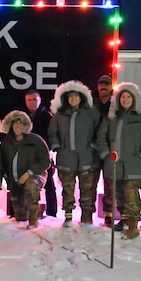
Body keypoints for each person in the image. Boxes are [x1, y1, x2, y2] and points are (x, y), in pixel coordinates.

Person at [95, 82, 141, 239]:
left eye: (129, 96)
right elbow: (101, 137)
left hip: (135, 165)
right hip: (115, 164)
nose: (125, 99)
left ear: (134, 98)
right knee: (119, 194)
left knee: (131, 195)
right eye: (122, 96)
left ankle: (133, 225)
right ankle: (123, 220)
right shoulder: (111, 118)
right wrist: (106, 154)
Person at [48, 80, 102, 227]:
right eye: (70, 96)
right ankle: (68, 216)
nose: (73, 99)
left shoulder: (92, 114)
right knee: (67, 189)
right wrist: (57, 147)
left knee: (87, 189)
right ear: (65, 98)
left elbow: (100, 131)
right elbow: (52, 133)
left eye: (76, 96)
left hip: (87, 158)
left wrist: (93, 146)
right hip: (66, 159)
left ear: (81, 97)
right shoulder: (59, 116)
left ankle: (86, 216)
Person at [0, 110, 51, 230]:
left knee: (31, 186)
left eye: (21, 123)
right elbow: (2, 164)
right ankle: (37, 210)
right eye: (15, 123)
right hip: (15, 180)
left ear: (26, 125)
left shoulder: (35, 140)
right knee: (21, 216)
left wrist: (29, 173)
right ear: (10, 125)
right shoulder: (5, 143)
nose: (18, 126)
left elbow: (46, 161)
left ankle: (33, 221)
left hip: (35, 175)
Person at [24, 90, 57, 217]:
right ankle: (26, 211)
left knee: (49, 184)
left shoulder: (47, 116)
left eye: (34, 99)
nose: (32, 102)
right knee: (26, 183)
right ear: (26, 101)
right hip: (26, 156)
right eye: (29, 100)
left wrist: (48, 150)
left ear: (40, 100)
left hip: (44, 155)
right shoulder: (22, 117)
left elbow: (52, 135)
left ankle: (52, 212)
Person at [92, 74, 114, 222]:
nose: (103, 87)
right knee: (90, 184)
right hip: (93, 150)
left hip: (110, 150)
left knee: (110, 184)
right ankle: (88, 213)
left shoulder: (115, 104)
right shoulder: (91, 104)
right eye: (101, 84)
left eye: (107, 84)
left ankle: (109, 215)